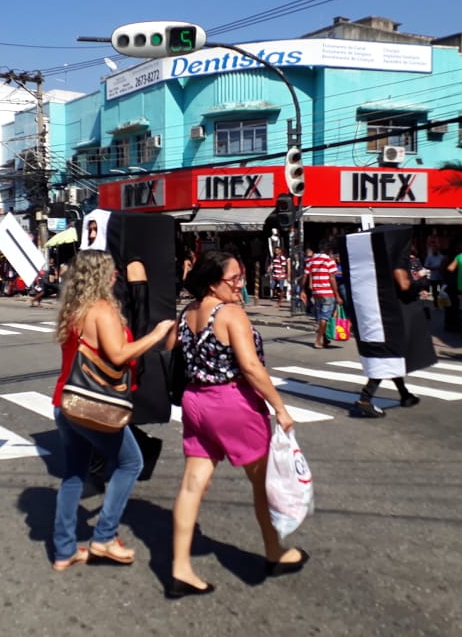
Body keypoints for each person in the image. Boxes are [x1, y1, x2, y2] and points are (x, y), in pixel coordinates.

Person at [165, 250, 308, 598]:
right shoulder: (230, 313)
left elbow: (171, 347)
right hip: (233, 403)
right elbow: (251, 367)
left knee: (192, 484)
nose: (239, 285)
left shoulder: (188, 312)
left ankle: (180, 568)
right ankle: (274, 551)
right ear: (213, 283)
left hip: (195, 402)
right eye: (234, 279)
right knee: (263, 482)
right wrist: (280, 407)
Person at [49, 250, 174, 572]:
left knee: (74, 475)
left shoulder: (74, 309)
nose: (115, 276)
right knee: (131, 463)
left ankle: (64, 550)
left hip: (66, 402)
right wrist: (156, 335)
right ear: (99, 276)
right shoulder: (101, 310)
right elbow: (118, 355)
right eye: (110, 271)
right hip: (93, 404)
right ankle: (104, 537)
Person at [345, 227, 433, 418]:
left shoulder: (379, 259)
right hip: (392, 315)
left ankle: (404, 394)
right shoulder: (398, 258)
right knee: (387, 355)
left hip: (377, 313)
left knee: (391, 356)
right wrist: (422, 281)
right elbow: (404, 284)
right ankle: (365, 398)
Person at [302, 240, 342, 349]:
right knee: (325, 317)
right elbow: (332, 278)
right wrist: (337, 295)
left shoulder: (311, 261)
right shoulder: (329, 261)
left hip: (316, 293)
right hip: (327, 292)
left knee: (321, 316)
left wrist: (302, 290)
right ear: (328, 250)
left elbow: (305, 276)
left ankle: (324, 338)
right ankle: (318, 340)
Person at [424, 240, 445, 306]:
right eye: (433, 249)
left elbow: (445, 266)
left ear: (438, 250)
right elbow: (426, 266)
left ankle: (442, 304)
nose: (434, 250)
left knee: (442, 291)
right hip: (433, 277)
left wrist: (441, 268)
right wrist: (433, 268)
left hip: (441, 277)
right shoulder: (429, 257)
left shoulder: (442, 257)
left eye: (436, 249)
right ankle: (436, 305)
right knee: (434, 292)